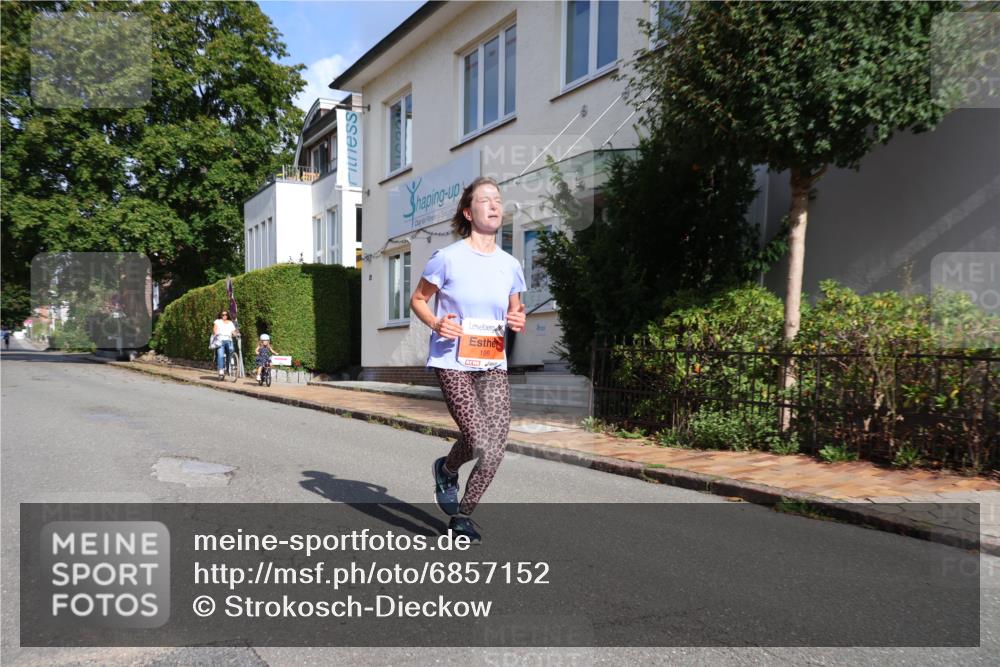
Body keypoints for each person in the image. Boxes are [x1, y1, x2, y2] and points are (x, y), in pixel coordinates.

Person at [409, 176, 527, 544]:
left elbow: (515, 309)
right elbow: (418, 300)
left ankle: (462, 517)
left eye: (498, 200)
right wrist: (436, 322)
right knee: (477, 438)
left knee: (495, 447)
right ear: (468, 212)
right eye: (485, 199)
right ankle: (447, 470)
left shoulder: (510, 265)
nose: (494, 205)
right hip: (452, 360)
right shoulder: (447, 258)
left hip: (492, 362)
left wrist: (518, 318)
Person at [212, 310, 239, 378]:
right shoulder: (217, 321)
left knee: (231, 352)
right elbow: (215, 329)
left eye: (226, 314)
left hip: (228, 340)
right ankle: (221, 369)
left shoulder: (230, 322)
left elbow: (233, 331)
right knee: (220, 355)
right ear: (221, 315)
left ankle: (229, 367)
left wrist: (237, 334)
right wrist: (216, 333)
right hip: (220, 341)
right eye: (223, 315)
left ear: (228, 315)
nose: (224, 316)